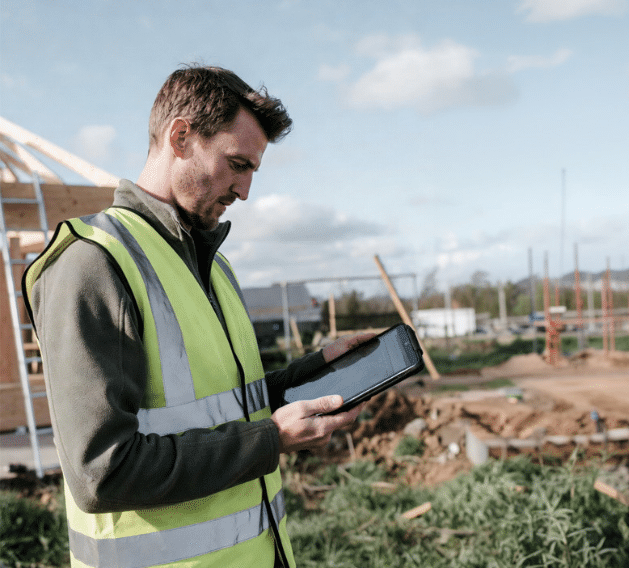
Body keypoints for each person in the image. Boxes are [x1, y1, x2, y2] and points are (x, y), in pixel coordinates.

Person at [23, 65, 372, 568]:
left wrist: (315, 370)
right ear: (181, 136)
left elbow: (225, 405)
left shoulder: (213, 265)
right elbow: (102, 472)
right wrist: (271, 440)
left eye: (252, 170)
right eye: (236, 164)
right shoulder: (92, 265)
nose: (246, 191)